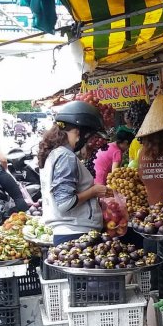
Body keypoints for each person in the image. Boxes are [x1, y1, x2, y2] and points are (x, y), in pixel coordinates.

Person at [38, 101, 109, 244]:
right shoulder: (65, 156)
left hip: (69, 233)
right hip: (76, 234)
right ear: (78, 132)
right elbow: (65, 203)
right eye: (89, 137)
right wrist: (93, 191)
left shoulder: (55, 154)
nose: (88, 142)